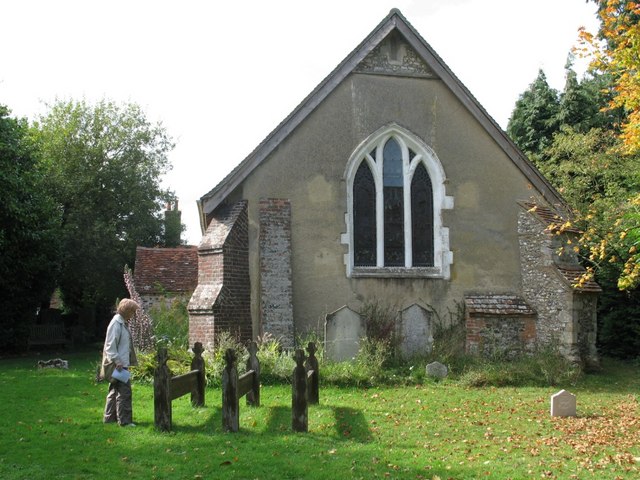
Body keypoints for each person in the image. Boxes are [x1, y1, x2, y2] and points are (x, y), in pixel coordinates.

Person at [101, 298, 139, 426]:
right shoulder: (116, 324)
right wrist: (118, 362)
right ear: (127, 311)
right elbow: (110, 347)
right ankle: (125, 421)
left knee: (114, 390)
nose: (133, 314)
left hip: (120, 363)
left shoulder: (121, 322)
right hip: (119, 365)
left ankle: (109, 418)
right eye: (133, 311)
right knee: (124, 393)